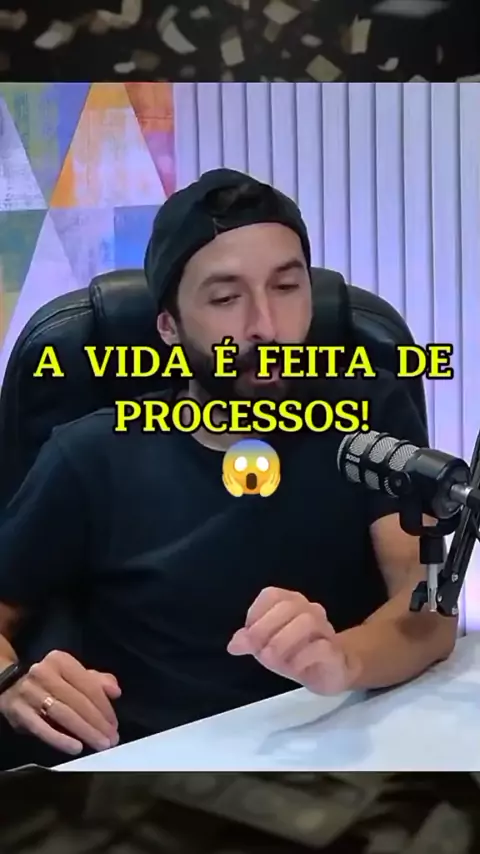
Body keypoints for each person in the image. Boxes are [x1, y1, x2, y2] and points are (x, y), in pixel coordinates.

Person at [0, 168, 457, 769]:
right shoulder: (91, 454)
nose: (265, 326)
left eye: (287, 287)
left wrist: (342, 661)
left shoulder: (367, 418)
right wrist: (12, 680)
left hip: (342, 757)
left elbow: (428, 610)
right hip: (159, 776)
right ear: (169, 326)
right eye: (225, 298)